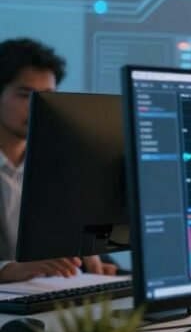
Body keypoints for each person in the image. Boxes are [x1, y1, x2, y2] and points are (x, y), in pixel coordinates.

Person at [0, 38, 117, 283]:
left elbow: (84, 246)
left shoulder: (57, 170)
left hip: (44, 298)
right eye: (24, 95)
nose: (36, 106)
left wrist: (98, 266)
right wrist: (7, 270)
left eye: (46, 97)